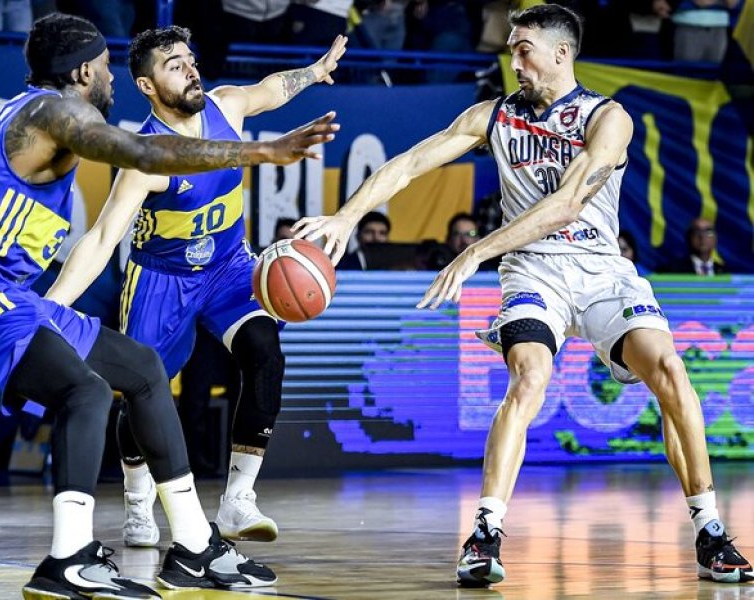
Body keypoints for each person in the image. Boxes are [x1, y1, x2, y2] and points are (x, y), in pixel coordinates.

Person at [0, 13, 338, 599]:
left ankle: (192, 547)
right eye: (108, 66)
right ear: (84, 70)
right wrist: (264, 151)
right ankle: (69, 558)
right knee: (84, 392)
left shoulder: (19, 113)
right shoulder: (61, 113)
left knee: (141, 370)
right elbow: (142, 151)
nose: (111, 77)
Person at [294, 3, 752, 587]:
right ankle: (485, 532)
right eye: (511, 49)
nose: (514, 60)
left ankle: (710, 530)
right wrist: (346, 216)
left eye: (523, 49)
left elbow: (565, 206)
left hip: (603, 270)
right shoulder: (493, 117)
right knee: (529, 377)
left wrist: (474, 250)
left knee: (669, 370)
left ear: (561, 53)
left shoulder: (607, 118)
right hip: (533, 273)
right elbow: (409, 163)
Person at [41, 26, 346, 548]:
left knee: (265, 352)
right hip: (162, 280)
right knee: (142, 389)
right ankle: (139, 500)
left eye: (191, 58)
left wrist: (314, 73)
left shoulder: (226, 107)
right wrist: (48, 309)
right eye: (174, 65)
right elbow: (100, 241)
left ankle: (237, 500)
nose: (190, 69)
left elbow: (270, 88)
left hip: (228, 267)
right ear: (147, 86)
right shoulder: (144, 158)